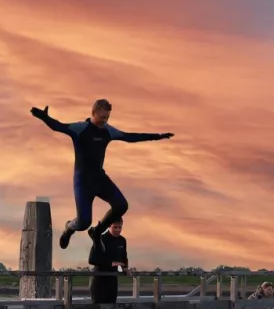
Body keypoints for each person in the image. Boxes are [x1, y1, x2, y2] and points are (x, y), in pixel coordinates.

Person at [30, 99, 173, 249]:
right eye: (103, 117)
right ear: (93, 113)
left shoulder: (108, 131)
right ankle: (69, 228)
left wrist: (157, 136)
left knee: (121, 205)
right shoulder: (80, 128)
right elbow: (58, 126)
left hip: (99, 179)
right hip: (83, 182)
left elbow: (130, 137)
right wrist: (44, 117)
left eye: (108, 117)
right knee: (83, 222)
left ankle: (97, 232)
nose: (105, 120)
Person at [87, 218, 128, 309]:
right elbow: (92, 259)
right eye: (115, 227)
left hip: (112, 281)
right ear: (109, 226)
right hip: (99, 281)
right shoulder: (101, 239)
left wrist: (125, 268)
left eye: (120, 227)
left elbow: (124, 257)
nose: (118, 230)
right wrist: (111, 263)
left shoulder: (122, 240)